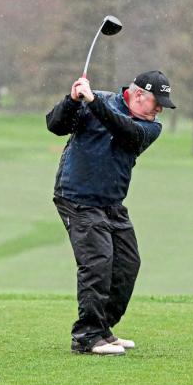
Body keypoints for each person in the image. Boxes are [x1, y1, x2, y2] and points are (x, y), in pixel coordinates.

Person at [46, 70, 176, 356]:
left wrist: (93, 102)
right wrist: (72, 99)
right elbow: (55, 126)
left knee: (128, 264)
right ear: (139, 93)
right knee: (98, 263)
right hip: (77, 197)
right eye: (157, 102)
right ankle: (86, 336)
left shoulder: (149, 128)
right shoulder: (98, 101)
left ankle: (102, 329)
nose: (159, 110)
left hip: (112, 204)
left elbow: (124, 131)